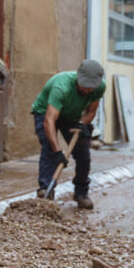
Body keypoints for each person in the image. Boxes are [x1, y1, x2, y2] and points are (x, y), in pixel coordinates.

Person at [31, 59, 105, 209]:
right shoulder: (61, 86)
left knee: (83, 156)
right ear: (78, 77)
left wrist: (81, 124)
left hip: (72, 116)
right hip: (45, 112)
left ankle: (81, 193)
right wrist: (58, 151)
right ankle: (46, 190)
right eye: (84, 86)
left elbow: (91, 112)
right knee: (49, 149)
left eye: (91, 87)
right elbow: (49, 121)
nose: (87, 90)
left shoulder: (99, 87)